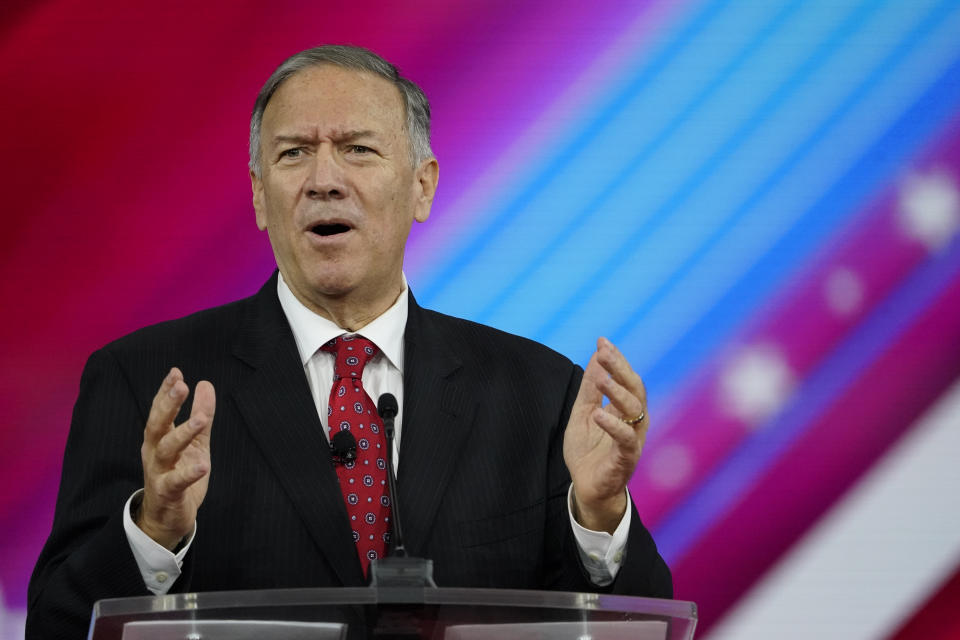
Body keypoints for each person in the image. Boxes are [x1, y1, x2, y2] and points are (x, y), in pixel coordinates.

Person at [27, 45, 671, 637]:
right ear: (258, 195)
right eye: (293, 153)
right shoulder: (143, 382)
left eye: (358, 149)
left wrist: (598, 515)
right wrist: (154, 534)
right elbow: (57, 623)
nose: (324, 180)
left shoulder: (537, 391)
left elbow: (633, 627)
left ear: (422, 185)